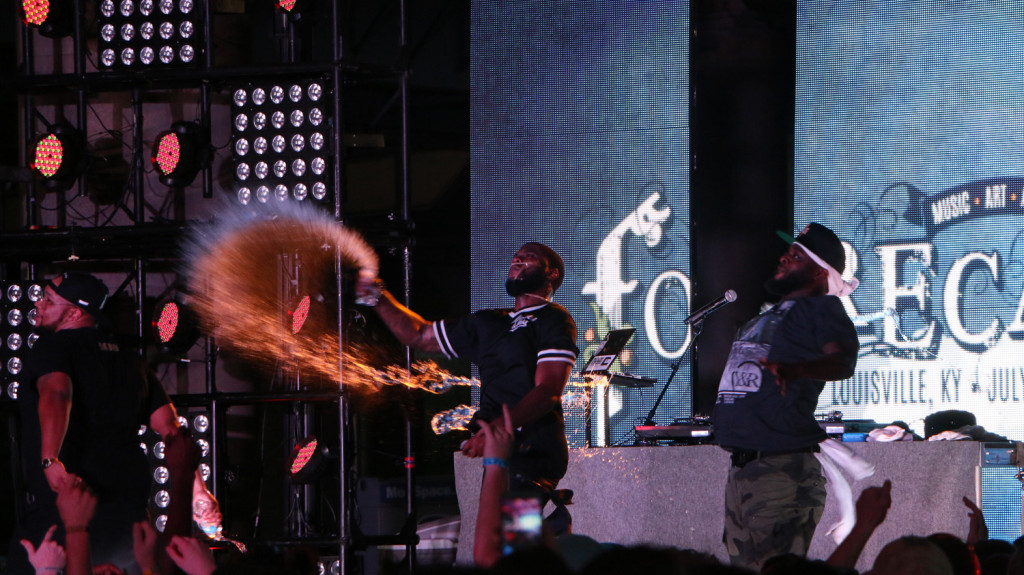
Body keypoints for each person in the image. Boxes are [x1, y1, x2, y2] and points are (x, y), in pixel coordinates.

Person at [9, 271, 218, 573]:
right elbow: (172, 430)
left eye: (49, 300)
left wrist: (50, 460)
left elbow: (56, 393)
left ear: (74, 312)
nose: (38, 305)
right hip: (129, 526)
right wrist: (198, 491)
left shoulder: (54, 348)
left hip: (71, 510)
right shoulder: (132, 361)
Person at [356, 242, 578, 496]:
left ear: (552, 274)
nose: (517, 261)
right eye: (515, 257)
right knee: (502, 531)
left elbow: (548, 390)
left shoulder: (553, 318)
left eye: (528, 257)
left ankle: (552, 526)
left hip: (532, 450)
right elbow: (418, 335)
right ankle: (552, 526)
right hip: (502, 450)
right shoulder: (489, 322)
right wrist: (377, 296)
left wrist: (496, 429)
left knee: (513, 529)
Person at [713, 222, 860, 569]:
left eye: (795, 256)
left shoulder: (821, 309)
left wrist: (796, 370)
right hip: (745, 471)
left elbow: (842, 360)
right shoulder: (771, 315)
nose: (783, 258)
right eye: (787, 252)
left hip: (781, 472)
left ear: (818, 271)